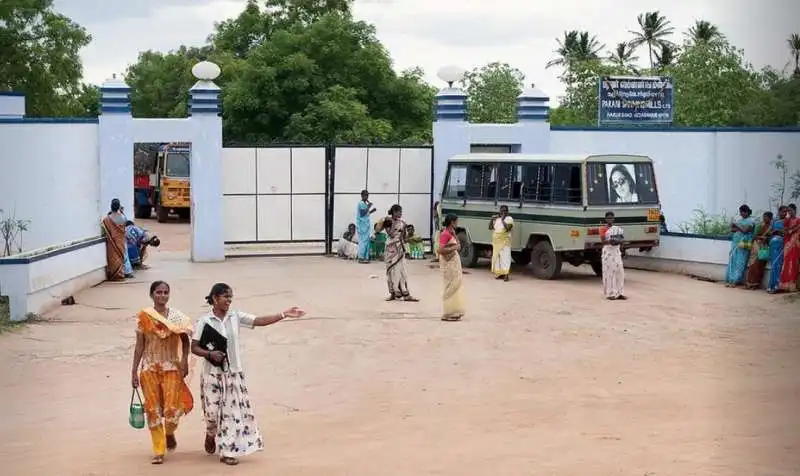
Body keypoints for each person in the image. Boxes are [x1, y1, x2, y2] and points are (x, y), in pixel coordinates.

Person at [191, 283, 306, 466]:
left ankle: (227, 451)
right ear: (214, 298)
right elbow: (194, 347)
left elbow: (258, 321)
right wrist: (209, 354)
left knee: (231, 413)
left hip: (233, 373)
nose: (228, 300)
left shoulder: (235, 316)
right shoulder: (204, 321)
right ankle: (210, 433)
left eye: (230, 297)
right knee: (212, 413)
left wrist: (283, 314)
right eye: (225, 296)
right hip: (212, 374)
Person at [131, 281, 194, 464]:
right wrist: (134, 370)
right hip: (149, 368)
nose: (162, 295)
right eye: (158, 292)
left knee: (171, 409)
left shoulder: (177, 317)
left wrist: (184, 361)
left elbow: (185, 338)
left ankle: (170, 432)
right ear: (152, 295)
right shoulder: (144, 317)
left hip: (171, 368)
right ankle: (158, 450)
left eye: (166, 292)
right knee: (152, 409)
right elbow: (139, 346)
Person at [382, 205, 419, 302]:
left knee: (402, 272)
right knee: (391, 272)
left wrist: (411, 238)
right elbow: (391, 234)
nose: (401, 214)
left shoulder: (403, 223)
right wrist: (393, 222)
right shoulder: (388, 221)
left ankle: (406, 294)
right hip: (390, 250)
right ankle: (393, 293)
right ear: (394, 212)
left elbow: (404, 238)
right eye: (399, 212)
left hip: (399, 250)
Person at [438, 214, 465, 321]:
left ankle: (454, 310)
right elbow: (440, 250)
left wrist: (455, 236)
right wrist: (454, 247)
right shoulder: (445, 234)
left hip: (454, 263)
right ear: (452, 222)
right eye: (457, 222)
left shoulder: (451, 233)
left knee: (456, 285)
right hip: (449, 264)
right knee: (450, 286)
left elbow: (459, 246)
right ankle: (448, 313)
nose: (458, 224)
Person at [101, 198, 133, 280]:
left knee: (113, 258)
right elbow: (123, 226)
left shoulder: (106, 219)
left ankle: (114, 274)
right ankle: (126, 272)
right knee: (123, 256)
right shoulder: (121, 217)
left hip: (111, 242)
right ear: (118, 207)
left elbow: (104, 230)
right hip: (120, 240)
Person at [725, 205, 755, 287]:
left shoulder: (751, 221)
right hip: (735, 242)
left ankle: (736, 280)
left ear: (746, 212)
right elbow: (732, 229)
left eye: (742, 212)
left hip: (743, 244)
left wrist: (737, 225)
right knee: (733, 261)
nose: (741, 214)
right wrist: (738, 227)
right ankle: (730, 279)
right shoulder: (740, 220)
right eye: (740, 212)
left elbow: (745, 230)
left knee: (740, 262)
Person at [601, 211, 626, 300]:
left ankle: (620, 292)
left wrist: (618, 242)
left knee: (620, 272)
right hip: (608, 252)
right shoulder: (603, 229)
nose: (610, 220)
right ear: (606, 219)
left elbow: (621, 239)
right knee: (609, 273)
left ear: (614, 219)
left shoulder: (617, 229)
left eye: (612, 218)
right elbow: (603, 241)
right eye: (608, 218)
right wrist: (611, 241)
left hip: (616, 251)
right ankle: (610, 293)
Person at [744, 211, 773, 289]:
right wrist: (761, 238)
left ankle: (756, 284)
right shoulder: (760, 225)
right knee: (753, 264)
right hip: (757, 246)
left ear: (770, 218)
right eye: (763, 217)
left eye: (766, 217)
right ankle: (749, 283)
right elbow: (754, 236)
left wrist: (766, 239)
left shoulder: (771, 227)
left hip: (764, 248)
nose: (764, 219)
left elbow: (771, 238)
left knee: (761, 266)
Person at [490, 205, 513, 281]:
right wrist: (491, 220)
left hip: (505, 242)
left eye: (505, 210)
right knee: (497, 259)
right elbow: (490, 228)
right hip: (496, 243)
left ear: (507, 212)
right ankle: (500, 273)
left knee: (505, 258)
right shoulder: (497, 219)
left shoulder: (509, 219)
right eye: (502, 210)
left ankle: (506, 275)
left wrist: (503, 220)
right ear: (499, 211)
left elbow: (508, 228)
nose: (503, 212)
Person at [779, 203, 799, 292]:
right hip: (788, 244)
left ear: (795, 210)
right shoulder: (787, 220)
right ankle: (784, 285)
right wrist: (792, 230)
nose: (789, 212)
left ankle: (792, 285)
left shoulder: (799, 220)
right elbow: (785, 232)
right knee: (786, 263)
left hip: (796, 245)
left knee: (794, 263)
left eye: (791, 210)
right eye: (788, 211)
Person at [767, 206, 787, 293]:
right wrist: (774, 232)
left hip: (781, 244)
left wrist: (781, 232)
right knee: (773, 265)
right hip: (773, 244)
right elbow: (769, 232)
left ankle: (777, 286)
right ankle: (771, 285)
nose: (785, 213)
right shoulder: (774, 221)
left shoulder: (787, 221)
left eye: (786, 212)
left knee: (778, 265)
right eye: (783, 211)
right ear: (779, 212)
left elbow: (787, 232)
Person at [356, 190, 376, 263]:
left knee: (367, 242)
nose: (366, 197)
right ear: (362, 196)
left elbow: (366, 214)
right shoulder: (361, 203)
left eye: (367, 195)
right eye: (365, 195)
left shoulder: (364, 203)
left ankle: (365, 257)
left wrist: (371, 211)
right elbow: (362, 214)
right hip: (362, 226)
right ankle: (361, 257)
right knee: (362, 242)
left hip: (366, 226)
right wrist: (368, 206)